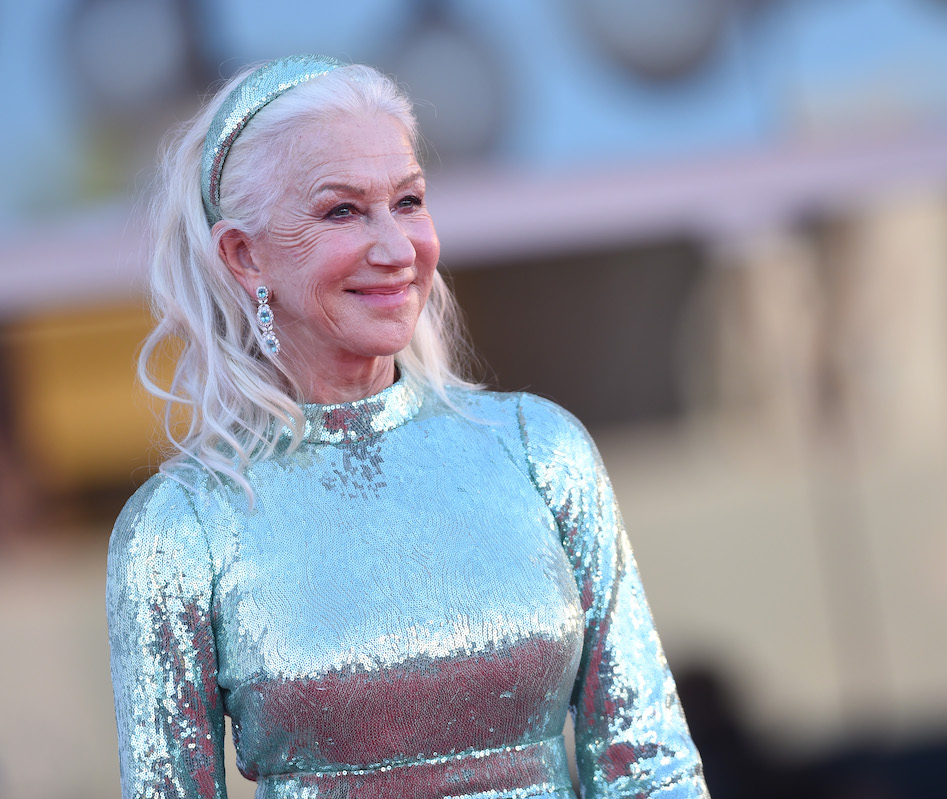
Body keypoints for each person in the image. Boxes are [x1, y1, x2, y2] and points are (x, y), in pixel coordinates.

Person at [106, 55, 709, 799]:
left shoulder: (537, 451)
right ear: (243, 255)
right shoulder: (181, 529)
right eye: (342, 211)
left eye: (409, 201)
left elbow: (650, 766)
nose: (397, 249)